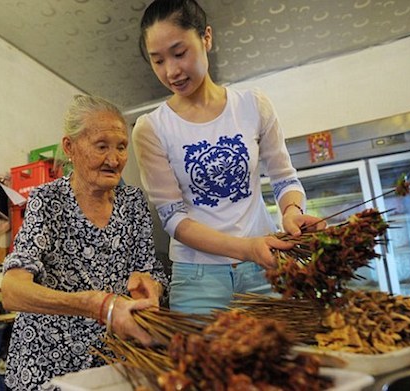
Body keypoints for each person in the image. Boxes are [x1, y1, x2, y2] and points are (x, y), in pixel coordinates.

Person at [132, 0, 324, 315]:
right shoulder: (151, 128)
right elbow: (174, 219)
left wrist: (290, 212)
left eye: (180, 53)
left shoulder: (253, 105)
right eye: (158, 61)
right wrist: (245, 248)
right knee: (203, 363)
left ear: (206, 37)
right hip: (198, 279)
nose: (172, 71)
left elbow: (284, 178)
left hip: (266, 267)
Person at [1, 94, 168, 390]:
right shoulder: (48, 201)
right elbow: (12, 291)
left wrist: (151, 286)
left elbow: (151, 270)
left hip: (111, 363)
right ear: (70, 147)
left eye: (121, 147)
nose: (115, 160)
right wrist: (95, 305)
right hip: (47, 366)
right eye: (102, 146)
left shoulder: (133, 203)